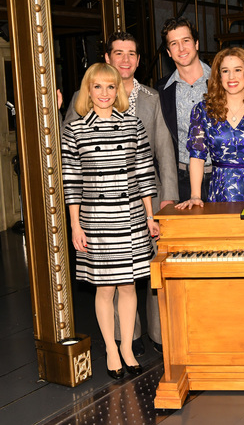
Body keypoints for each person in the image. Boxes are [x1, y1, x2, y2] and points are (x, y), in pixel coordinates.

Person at [64, 32, 178, 355]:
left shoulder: (151, 98)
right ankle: (126, 342)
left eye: (132, 53)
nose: (125, 59)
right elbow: (69, 155)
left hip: (142, 198)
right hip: (98, 206)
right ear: (108, 58)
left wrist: (165, 199)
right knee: (109, 281)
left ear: (138, 60)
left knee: (147, 272)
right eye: (119, 53)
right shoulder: (81, 100)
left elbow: (162, 152)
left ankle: (156, 334)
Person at [61, 63, 160, 379]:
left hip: (130, 217)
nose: (104, 93)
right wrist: (76, 225)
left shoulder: (133, 125)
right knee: (104, 289)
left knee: (129, 287)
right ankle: (112, 348)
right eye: (98, 87)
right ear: (87, 91)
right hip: (96, 221)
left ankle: (129, 348)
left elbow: (145, 174)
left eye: (110, 87)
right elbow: (71, 181)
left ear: (118, 91)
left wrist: (149, 217)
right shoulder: (74, 130)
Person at [176, 47, 244, 207]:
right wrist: (195, 195)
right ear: (218, 75)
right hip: (220, 194)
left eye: (238, 70)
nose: (232, 77)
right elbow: (197, 156)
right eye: (225, 71)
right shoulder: (203, 111)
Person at [156, 17, 212, 202]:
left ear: (196, 43)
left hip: (222, 176)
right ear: (168, 52)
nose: (181, 49)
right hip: (181, 182)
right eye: (174, 43)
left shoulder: (223, 80)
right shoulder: (161, 91)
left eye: (186, 41)